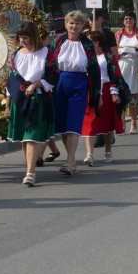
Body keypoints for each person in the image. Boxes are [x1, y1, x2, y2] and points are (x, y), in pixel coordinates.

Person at [7, 22, 56, 186]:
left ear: (34, 37)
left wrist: (36, 85)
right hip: (20, 99)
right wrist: (9, 101)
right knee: (24, 137)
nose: (23, 41)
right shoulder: (15, 55)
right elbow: (12, 79)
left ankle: (30, 173)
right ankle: (29, 166)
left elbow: (52, 76)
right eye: (21, 38)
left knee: (32, 137)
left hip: (37, 99)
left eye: (26, 38)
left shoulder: (46, 53)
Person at [52, 10, 100, 175]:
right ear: (66, 24)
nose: (74, 26)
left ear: (82, 26)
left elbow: (94, 70)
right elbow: (50, 64)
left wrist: (96, 94)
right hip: (60, 83)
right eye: (71, 23)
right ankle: (71, 158)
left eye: (77, 23)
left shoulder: (87, 45)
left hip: (79, 84)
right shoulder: (59, 41)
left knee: (73, 123)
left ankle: (71, 162)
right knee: (64, 125)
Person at [81, 30, 127, 165]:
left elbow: (115, 75)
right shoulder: (85, 57)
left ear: (98, 42)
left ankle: (108, 151)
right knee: (89, 122)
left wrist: (114, 92)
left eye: (91, 41)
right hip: (91, 90)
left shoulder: (108, 57)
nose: (88, 45)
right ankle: (89, 154)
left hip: (106, 90)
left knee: (107, 123)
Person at [115, 12, 138, 135]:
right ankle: (122, 122)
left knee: (133, 97)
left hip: (136, 67)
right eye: (126, 19)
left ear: (134, 21)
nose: (128, 21)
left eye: (130, 19)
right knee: (121, 96)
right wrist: (119, 53)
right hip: (122, 66)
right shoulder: (118, 34)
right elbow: (113, 51)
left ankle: (134, 123)